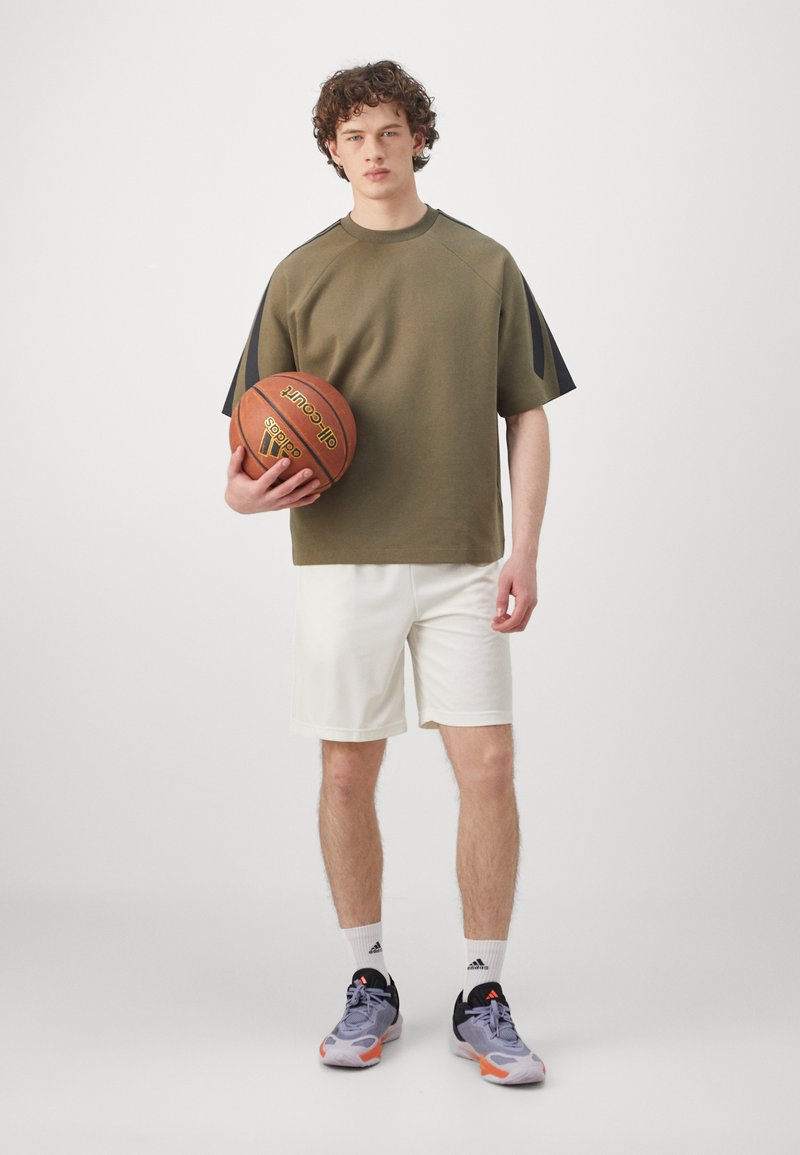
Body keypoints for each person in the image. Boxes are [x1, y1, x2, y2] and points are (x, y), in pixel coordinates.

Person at [221, 60, 576, 1085]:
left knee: (489, 767)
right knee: (346, 771)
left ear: (418, 137)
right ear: (331, 151)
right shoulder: (298, 274)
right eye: (352, 136)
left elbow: (528, 415)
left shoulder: (484, 263)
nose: (372, 151)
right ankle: (367, 976)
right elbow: (245, 449)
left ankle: (482, 991)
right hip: (343, 558)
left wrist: (524, 548)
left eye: (387, 131)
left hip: (465, 558)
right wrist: (241, 497)